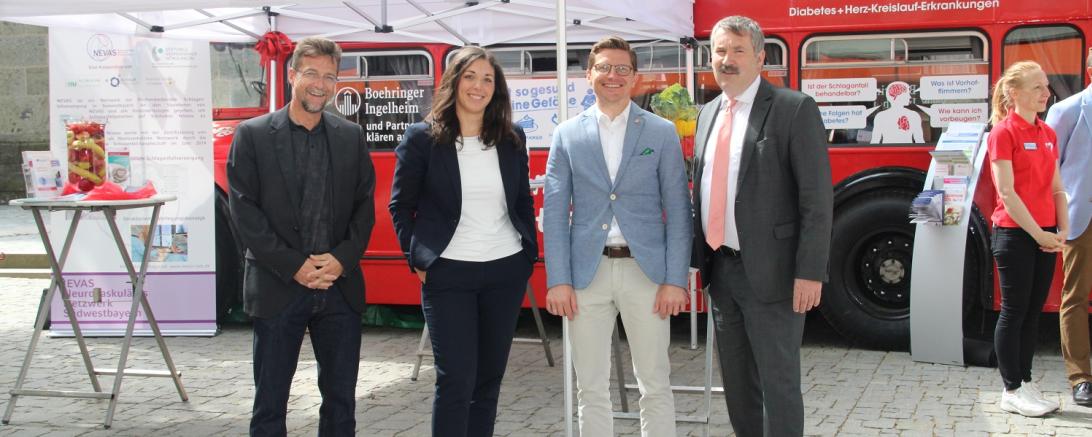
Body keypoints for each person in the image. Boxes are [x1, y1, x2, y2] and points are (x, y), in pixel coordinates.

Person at [690, 16, 832, 437]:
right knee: (737, 385)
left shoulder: (793, 109)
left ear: (760, 57)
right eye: (720, 51)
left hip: (776, 274)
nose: (727, 59)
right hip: (722, 271)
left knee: (778, 382)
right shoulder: (707, 114)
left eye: (738, 50)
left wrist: (810, 272)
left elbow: (816, 200)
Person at [543, 35, 692, 436]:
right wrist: (558, 280)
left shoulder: (660, 132)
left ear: (635, 77)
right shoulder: (567, 134)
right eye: (605, 67)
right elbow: (555, 212)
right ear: (589, 74)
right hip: (586, 275)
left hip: (647, 274)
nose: (614, 75)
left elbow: (679, 210)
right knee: (590, 387)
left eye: (622, 68)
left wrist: (675, 280)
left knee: (655, 383)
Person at [227, 37, 376, 436]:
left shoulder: (350, 136)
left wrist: (342, 259)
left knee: (341, 404)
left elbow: (365, 208)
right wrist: (294, 265)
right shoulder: (253, 135)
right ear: (292, 75)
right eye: (311, 73)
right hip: (279, 286)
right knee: (270, 404)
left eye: (329, 76)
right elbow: (244, 211)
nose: (320, 84)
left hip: (338, 287)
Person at [389, 46, 537, 437]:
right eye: (470, 76)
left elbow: (522, 199)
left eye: (488, 79)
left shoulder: (512, 137)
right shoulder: (422, 138)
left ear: (496, 89)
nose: (478, 86)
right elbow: (400, 206)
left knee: (488, 380)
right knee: (456, 380)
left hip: (505, 270)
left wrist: (527, 255)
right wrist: (418, 259)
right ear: (454, 82)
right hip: (448, 274)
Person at [987, 60, 1068, 417]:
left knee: (1033, 313)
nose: (1046, 93)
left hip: (1045, 236)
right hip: (1014, 235)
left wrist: (1063, 230)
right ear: (1014, 92)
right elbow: (1007, 193)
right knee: (1014, 312)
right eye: (1037, 87)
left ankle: (1026, 381)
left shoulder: (1047, 133)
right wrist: (1039, 234)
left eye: (1046, 86)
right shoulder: (1002, 133)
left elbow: (1057, 188)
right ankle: (1011, 389)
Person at [1045, 49, 1092, 408]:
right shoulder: (1068, 110)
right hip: (1082, 217)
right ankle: (1081, 378)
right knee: (1075, 297)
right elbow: (1050, 169)